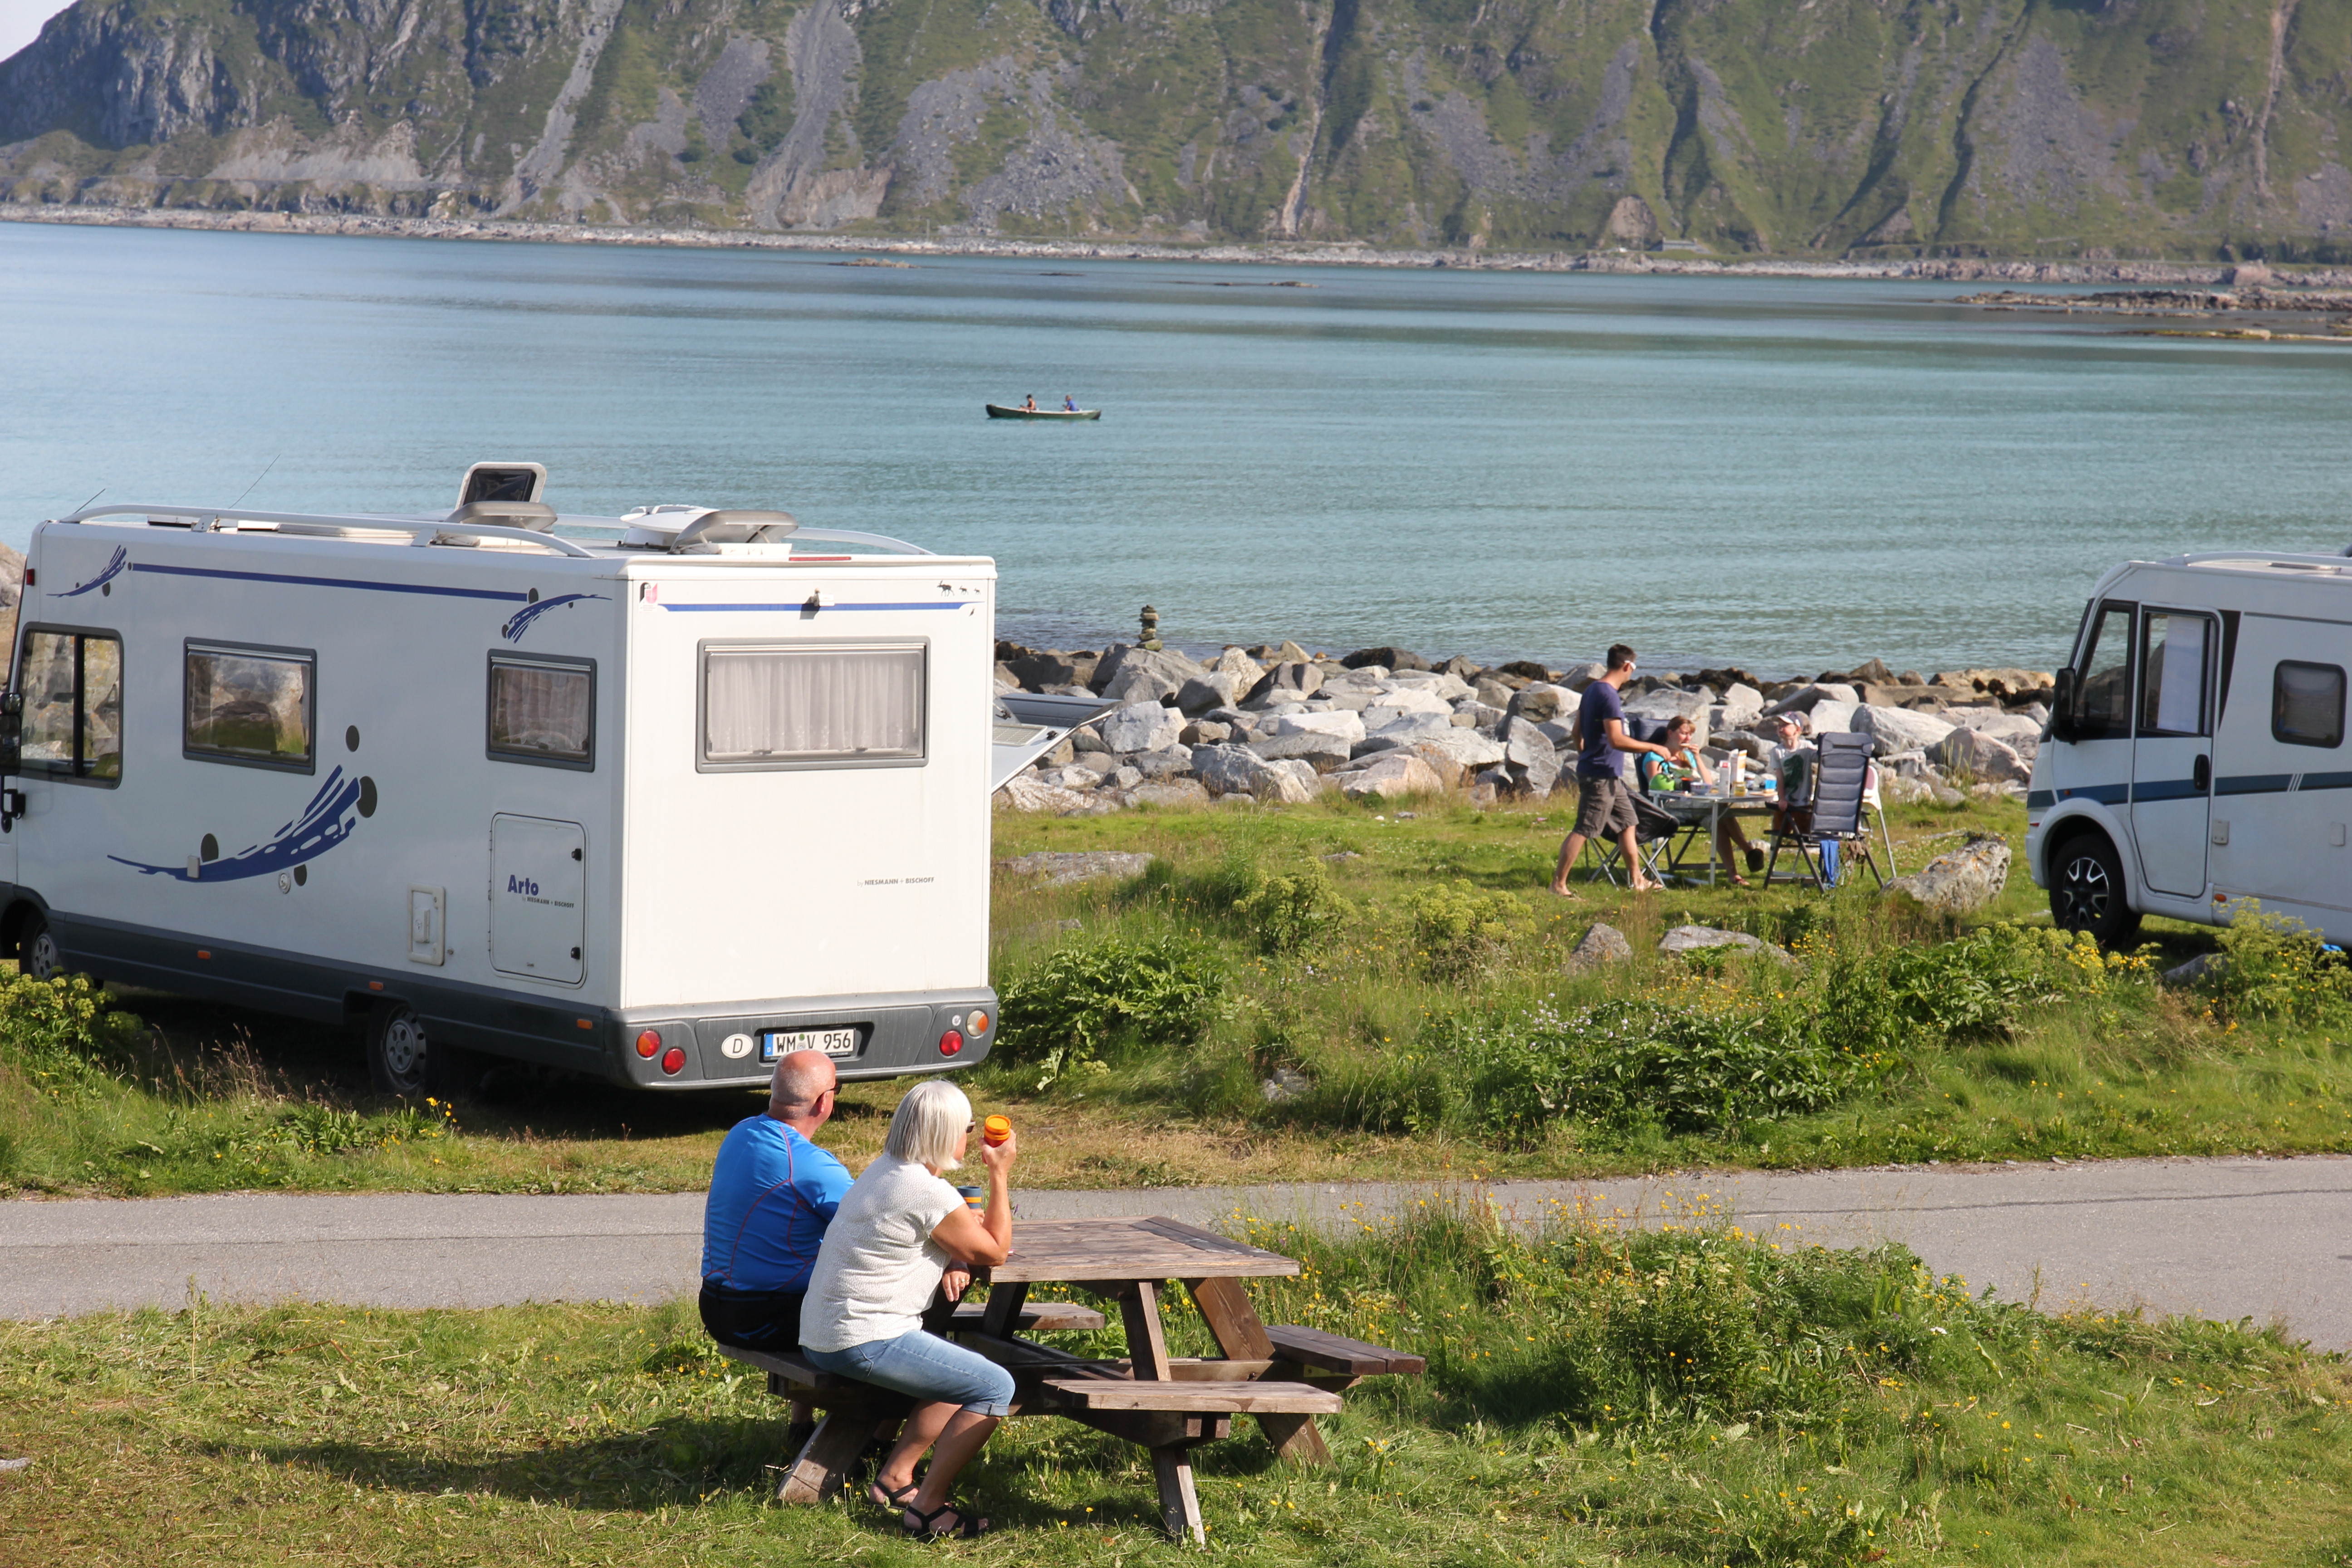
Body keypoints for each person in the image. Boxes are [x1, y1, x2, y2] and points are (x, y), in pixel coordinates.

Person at [800, 1079, 1016, 1542]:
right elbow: (996, 1252)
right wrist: (999, 1173)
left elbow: (947, 1237)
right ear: (944, 1133)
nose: (971, 1136)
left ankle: (896, 1477)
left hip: (825, 1333)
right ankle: (927, 1507)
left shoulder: (885, 1170)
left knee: (959, 1370)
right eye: (968, 1128)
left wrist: (958, 1242)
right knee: (996, 1385)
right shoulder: (926, 1190)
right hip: (862, 1339)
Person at [698, 1050, 856, 1356]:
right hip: (763, 1317)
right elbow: (877, 1225)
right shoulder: (809, 1165)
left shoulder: (741, 1133)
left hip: (716, 1307)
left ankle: (815, 1402)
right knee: (895, 1326)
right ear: (824, 1101)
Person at [1551, 644, 1673, 896]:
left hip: (1607, 774)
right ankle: (1558, 885)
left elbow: (1577, 733)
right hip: (1600, 775)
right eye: (1633, 669)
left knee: (1629, 821)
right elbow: (1617, 739)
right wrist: (1654, 747)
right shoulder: (1609, 696)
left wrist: (1586, 753)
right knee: (1585, 828)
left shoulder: (1592, 690)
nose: (1632, 674)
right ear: (1627, 666)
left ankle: (1638, 880)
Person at [1650, 714, 1764, 887]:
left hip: (1696, 806)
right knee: (1720, 807)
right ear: (1671, 733)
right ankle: (1748, 850)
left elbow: (1707, 783)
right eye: (1684, 734)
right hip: (1670, 806)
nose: (1688, 738)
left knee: (1716, 817)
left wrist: (1696, 758)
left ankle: (1733, 875)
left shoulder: (1686, 758)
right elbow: (1654, 786)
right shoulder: (1655, 757)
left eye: (1690, 735)